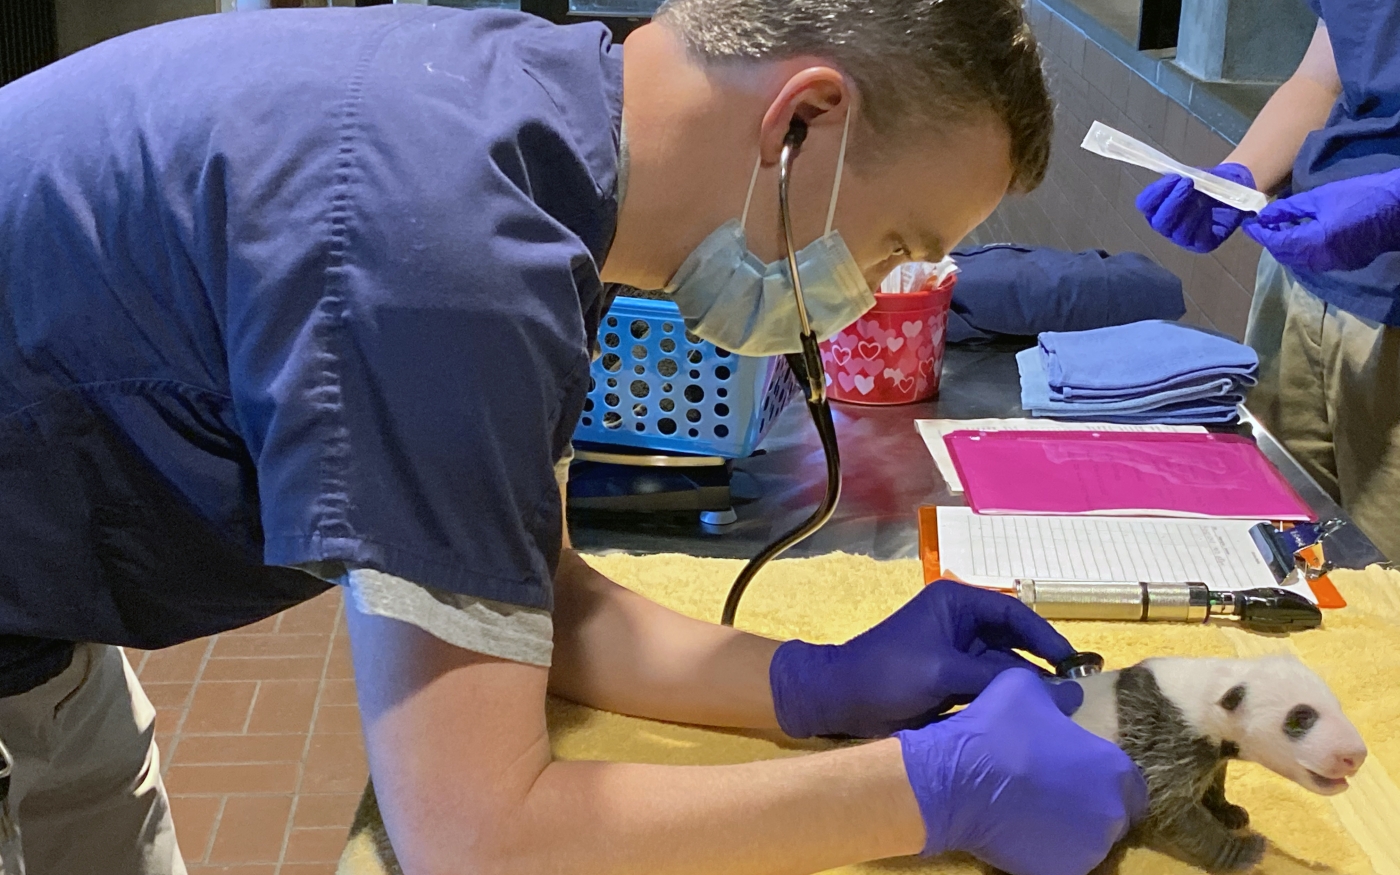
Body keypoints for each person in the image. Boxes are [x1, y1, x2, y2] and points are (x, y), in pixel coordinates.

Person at [0, 2, 1146, 874]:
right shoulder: (446, 259)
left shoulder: (543, 153)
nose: (874, 291)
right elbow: (473, 831)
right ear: (803, 118)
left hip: (38, 614)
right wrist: (930, 788)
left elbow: (530, 599)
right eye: (894, 242)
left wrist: (821, 682)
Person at [1136, 1, 1400, 560]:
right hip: (1300, 286)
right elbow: (1323, 76)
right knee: (1274, 550)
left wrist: (1393, 202)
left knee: (1385, 588)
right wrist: (1241, 172)